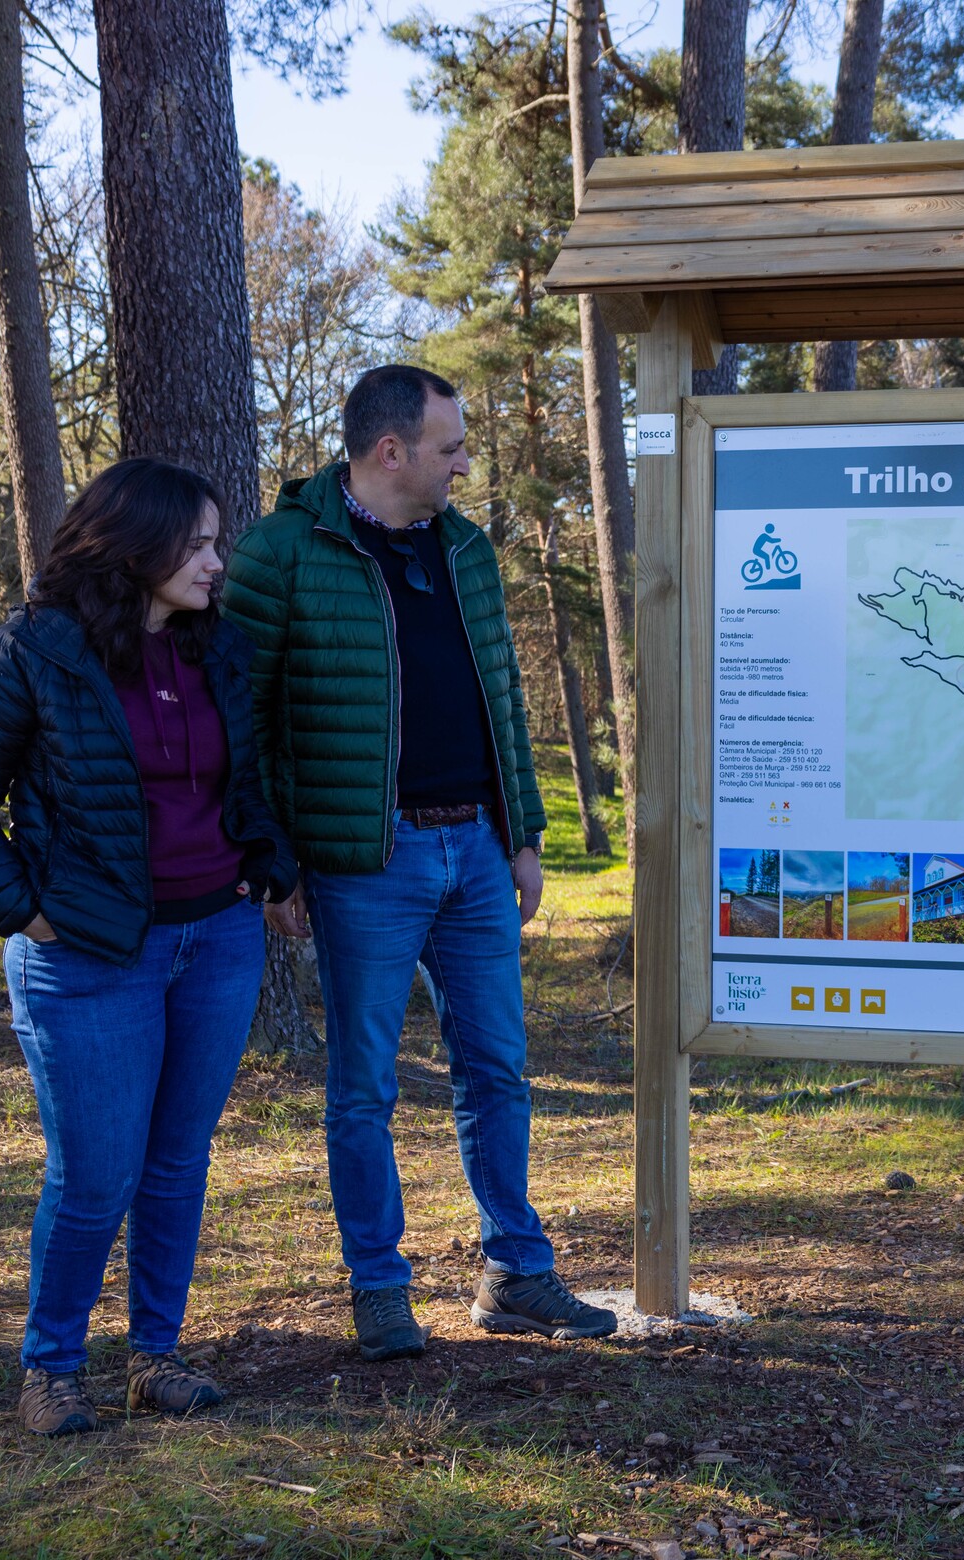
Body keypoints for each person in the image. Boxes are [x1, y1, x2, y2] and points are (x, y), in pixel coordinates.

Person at [224, 364, 614, 1357]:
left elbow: (503, 698)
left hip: (476, 849)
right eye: (451, 446)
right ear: (390, 450)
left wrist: (522, 834)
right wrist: (275, 861)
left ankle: (515, 1271)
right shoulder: (281, 553)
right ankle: (378, 1286)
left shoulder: (467, 550)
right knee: (364, 1086)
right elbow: (242, 722)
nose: (465, 463)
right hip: (365, 861)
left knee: (498, 1070)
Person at [0, 458, 296, 1437]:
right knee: (95, 1178)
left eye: (218, 543)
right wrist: (22, 909)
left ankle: (154, 1357)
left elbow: (246, 777)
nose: (217, 563)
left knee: (177, 1162)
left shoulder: (221, 649)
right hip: (88, 956)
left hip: (218, 940)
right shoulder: (29, 651)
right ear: (136, 547)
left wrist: (266, 860)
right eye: (199, 545)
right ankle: (51, 1368)